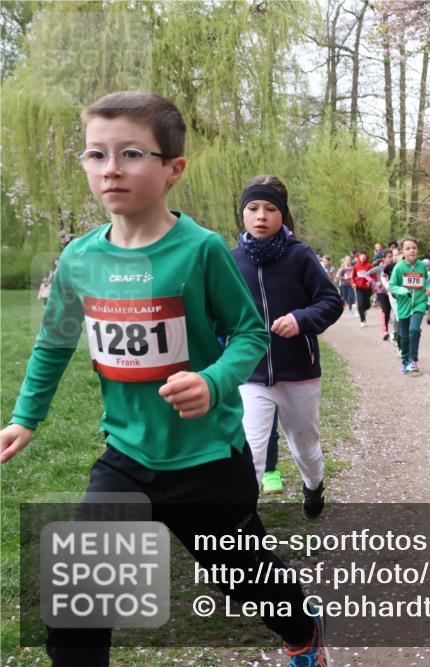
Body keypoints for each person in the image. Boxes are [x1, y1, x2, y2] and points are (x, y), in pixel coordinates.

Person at [0, 91, 331, 666]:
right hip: (126, 457)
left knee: (249, 584)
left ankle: (304, 636)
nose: (110, 168)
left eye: (131, 153)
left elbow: (249, 334)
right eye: (94, 154)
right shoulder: (79, 257)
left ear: (173, 168)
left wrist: (212, 380)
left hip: (207, 461)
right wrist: (26, 417)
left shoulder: (201, 250)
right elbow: (54, 342)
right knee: (80, 603)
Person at [232, 174, 342, 519]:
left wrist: (300, 319)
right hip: (250, 373)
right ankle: (242, 523)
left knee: (304, 445)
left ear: (283, 215)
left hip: (298, 371)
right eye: (253, 208)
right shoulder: (231, 260)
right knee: (250, 450)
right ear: (243, 215)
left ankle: (314, 485)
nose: (261, 215)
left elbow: (330, 302)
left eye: (269, 208)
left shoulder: (300, 256)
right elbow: (218, 312)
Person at [389, 236, 429, 375]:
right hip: (404, 305)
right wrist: (403, 291)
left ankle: (413, 360)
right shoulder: (399, 268)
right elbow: (392, 286)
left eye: (414, 248)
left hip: (419, 303)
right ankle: (405, 360)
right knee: (404, 335)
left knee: (414, 330)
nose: (411, 250)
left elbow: (426, 281)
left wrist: (428, 288)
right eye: (408, 248)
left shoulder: (422, 266)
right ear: (402, 251)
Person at [351, 251, 374, 327]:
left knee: (367, 304)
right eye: (361, 256)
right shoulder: (356, 267)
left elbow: (373, 276)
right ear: (359, 257)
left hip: (367, 288)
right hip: (359, 287)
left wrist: (370, 282)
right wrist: (353, 283)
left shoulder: (369, 266)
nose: (363, 257)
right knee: (360, 303)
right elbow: (353, 277)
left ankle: (364, 310)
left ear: (366, 257)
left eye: (364, 256)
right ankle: (362, 320)